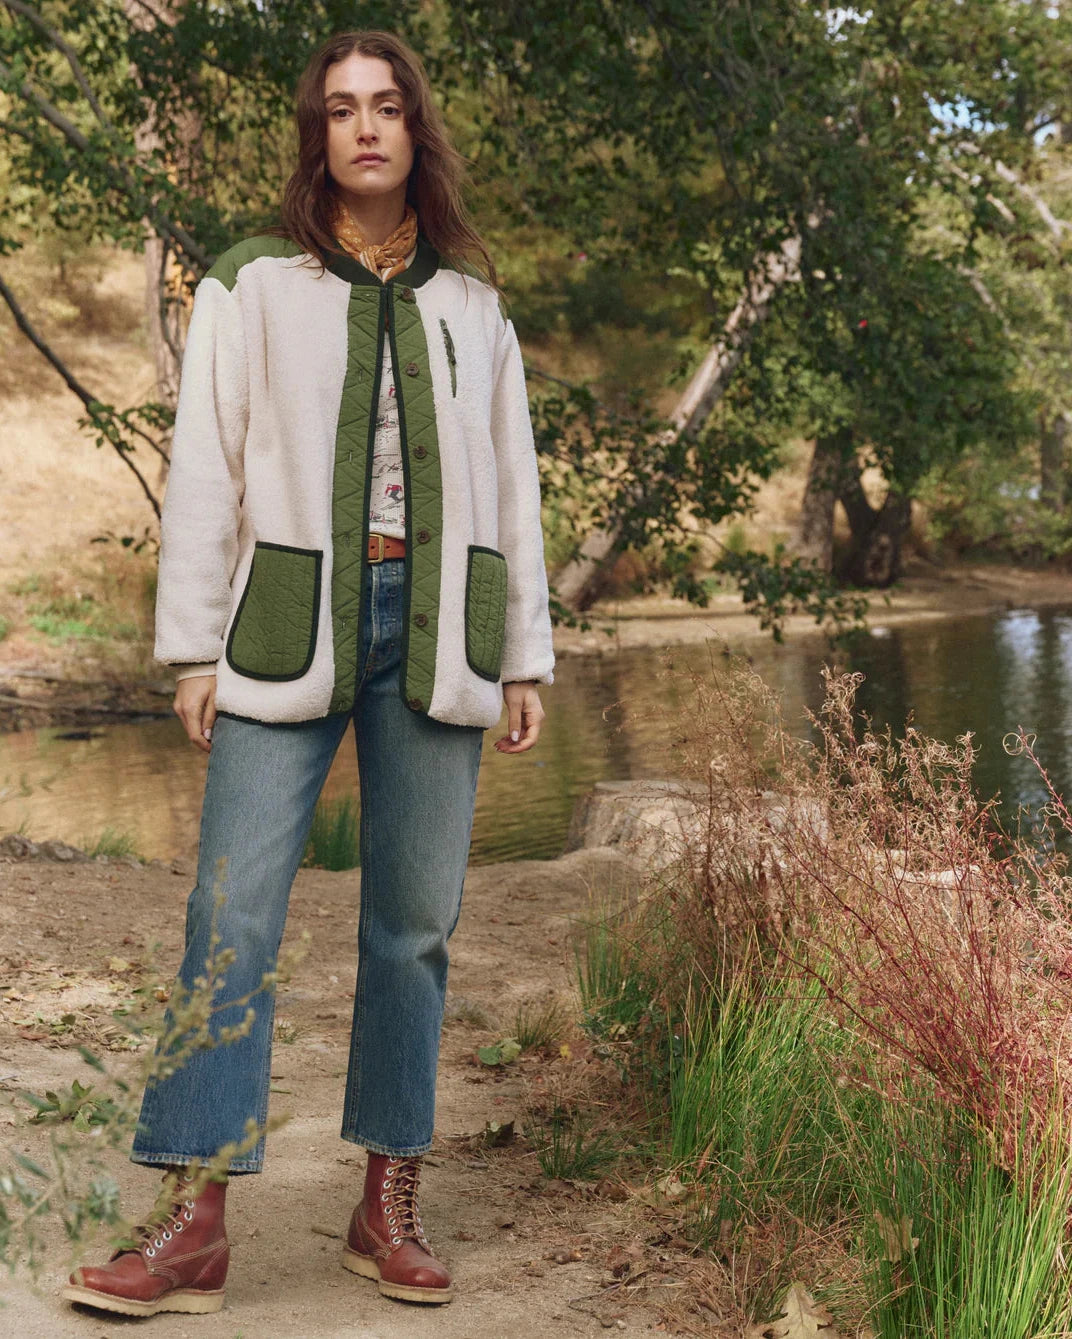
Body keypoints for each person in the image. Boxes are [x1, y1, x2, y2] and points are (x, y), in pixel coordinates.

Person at [63, 28, 553, 1319]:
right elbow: (207, 471)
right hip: (282, 627)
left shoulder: (474, 309)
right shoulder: (251, 285)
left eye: (388, 107)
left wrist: (524, 658)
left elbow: (513, 486)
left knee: (416, 925)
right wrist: (188, 651)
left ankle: (385, 1200)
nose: (367, 129)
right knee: (230, 917)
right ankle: (197, 1219)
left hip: (439, 624)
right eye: (342, 111)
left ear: (415, 131)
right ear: (317, 138)